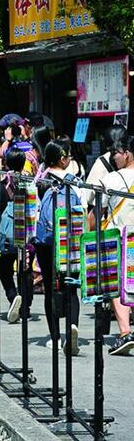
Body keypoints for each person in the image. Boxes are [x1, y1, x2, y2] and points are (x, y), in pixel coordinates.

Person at [30, 139, 84, 355]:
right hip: (69, 239)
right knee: (70, 285)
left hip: (45, 242)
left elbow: (34, 213)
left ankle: (54, 337)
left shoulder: (39, 181)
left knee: (51, 286)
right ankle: (73, 329)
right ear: (63, 158)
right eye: (69, 156)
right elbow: (83, 208)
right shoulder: (74, 183)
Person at [95, 136, 134, 356]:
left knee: (117, 284)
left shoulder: (111, 179)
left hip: (120, 237)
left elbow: (97, 211)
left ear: (126, 153)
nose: (112, 158)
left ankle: (124, 332)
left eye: (115, 153)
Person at [0, 148, 28, 323]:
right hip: (25, 235)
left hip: (5, 239)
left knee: (4, 270)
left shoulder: (0, 185)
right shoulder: (28, 183)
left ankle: (13, 297)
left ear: (6, 163)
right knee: (25, 271)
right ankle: (26, 306)